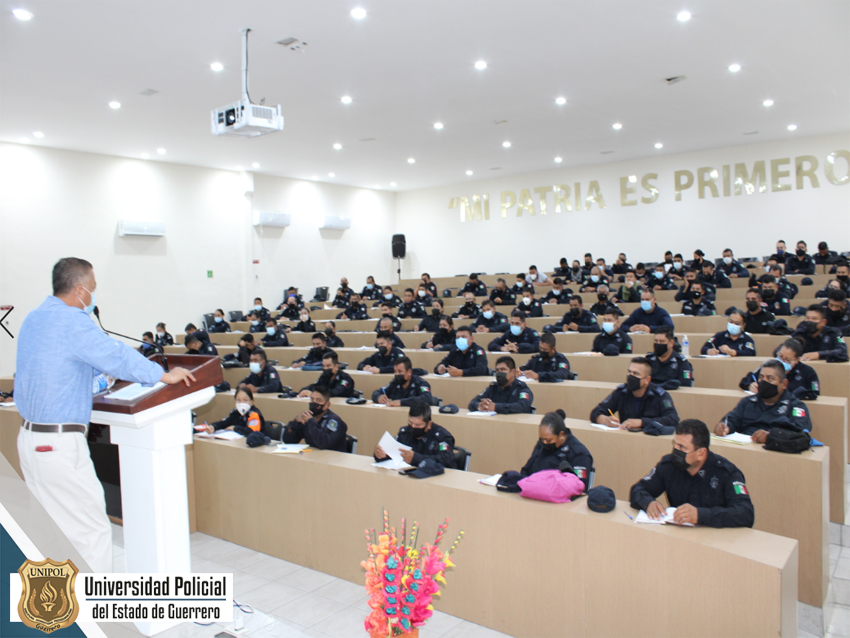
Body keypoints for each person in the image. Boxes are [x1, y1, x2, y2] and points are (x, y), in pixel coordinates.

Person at [16, 257, 195, 573]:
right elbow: (114, 354)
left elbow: (58, 371)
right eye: (93, 288)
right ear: (80, 290)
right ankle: (94, 603)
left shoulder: (35, 318)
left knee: (51, 532)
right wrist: (163, 375)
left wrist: (99, 379)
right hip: (57, 445)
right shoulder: (73, 321)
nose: (93, 295)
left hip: (30, 439)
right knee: (91, 532)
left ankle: (58, 601)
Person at [629, 419, 754, 528]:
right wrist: (648, 503)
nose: (675, 451)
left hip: (715, 538)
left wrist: (701, 515)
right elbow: (638, 489)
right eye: (675, 444)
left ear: (701, 453)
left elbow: (745, 513)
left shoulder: (727, 473)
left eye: (682, 447)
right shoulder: (669, 465)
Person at [715, 359, 813, 443]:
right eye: (761, 378)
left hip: (776, 451)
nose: (764, 382)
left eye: (770, 378)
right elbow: (732, 420)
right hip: (745, 448)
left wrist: (771, 436)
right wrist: (724, 427)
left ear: (784, 384)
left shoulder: (796, 407)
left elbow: (801, 434)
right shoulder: (747, 402)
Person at [590, 357, 680, 435]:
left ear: (647, 380)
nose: (631, 376)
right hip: (625, 438)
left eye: (636, 374)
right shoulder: (621, 392)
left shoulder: (660, 395)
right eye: (629, 372)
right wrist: (605, 420)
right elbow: (596, 412)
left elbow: (673, 419)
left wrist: (641, 422)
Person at [519, 410, 593, 489]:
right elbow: (526, 470)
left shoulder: (579, 454)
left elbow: (579, 487)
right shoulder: (542, 444)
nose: (544, 443)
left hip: (557, 494)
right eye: (542, 439)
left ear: (561, 435)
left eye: (549, 440)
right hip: (533, 490)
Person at [374, 400, 454, 468]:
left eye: (418, 425)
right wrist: (381, 455)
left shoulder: (441, 437)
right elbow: (394, 454)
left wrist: (417, 459)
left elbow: (446, 459)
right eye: (410, 423)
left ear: (429, 424)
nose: (413, 427)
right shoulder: (404, 433)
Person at [739, 339, 819, 401]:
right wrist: (750, 385)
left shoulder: (808, 372)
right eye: (780, 356)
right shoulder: (769, 366)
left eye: (787, 359)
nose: (782, 361)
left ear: (797, 360)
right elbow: (746, 380)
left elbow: (815, 393)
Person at [282, 387, 348, 452]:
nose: (314, 403)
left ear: (327, 405)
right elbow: (288, 441)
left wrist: (311, 422)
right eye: (312, 399)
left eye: (318, 400)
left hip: (333, 457)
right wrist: (296, 423)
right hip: (313, 455)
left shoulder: (334, 421)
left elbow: (323, 443)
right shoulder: (308, 418)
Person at [468, 356, 534, 414]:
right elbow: (473, 403)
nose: (499, 373)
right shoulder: (493, 388)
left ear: (513, 372)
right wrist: (480, 405)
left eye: (503, 370)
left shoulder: (522, 389)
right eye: (497, 370)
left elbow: (521, 407)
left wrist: (496, 407)